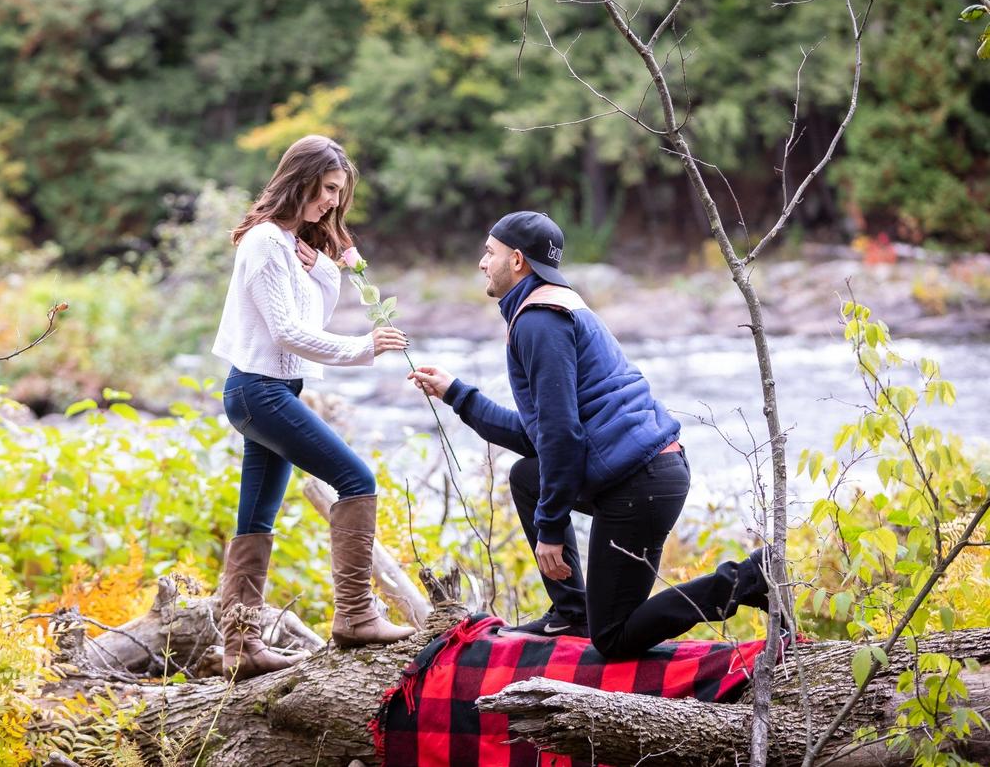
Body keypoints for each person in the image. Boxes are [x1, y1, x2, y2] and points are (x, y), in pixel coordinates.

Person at [408, 210, 770, 659]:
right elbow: (541, 438)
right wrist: (458, 394)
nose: (483, 262)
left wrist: (551, 529)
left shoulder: (539, 321)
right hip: (644, 476)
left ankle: (748, 579)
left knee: (613, 640)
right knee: (528, 476)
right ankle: (570, 613)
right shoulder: (550, 305)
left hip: (638, 485)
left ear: (517, 260)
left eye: (490, 252)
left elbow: (562, 436)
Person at [212, 135, 416, 680]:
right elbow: (286, 332)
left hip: (273, 392)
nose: (330, 202)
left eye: (338, 194)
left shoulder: (287, 244)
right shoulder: (263, 243)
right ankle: (355, 615)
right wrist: (364, 348)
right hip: (259, 391)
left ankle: (241, 646)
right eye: (327, 189)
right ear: (300, 178)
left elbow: (313, 318)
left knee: (256, 517)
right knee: (357, 478)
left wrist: (324, 268)